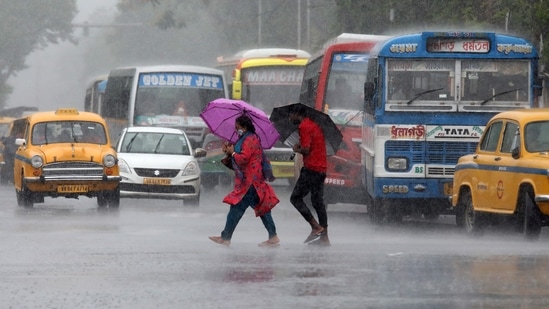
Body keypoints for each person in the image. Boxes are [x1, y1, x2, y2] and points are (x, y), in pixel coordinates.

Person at [209, 114, 280, 247]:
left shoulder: (250, 140)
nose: (236, 130)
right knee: (263, 209)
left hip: (250, 182)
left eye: (238, 127)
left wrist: (233, 153)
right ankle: (273, 236)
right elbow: (238, 158)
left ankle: (225, 237)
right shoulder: (245, 138)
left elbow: (243, 158)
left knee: (236, 208)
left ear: (245, 127)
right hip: (252, 181)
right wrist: (229, 152)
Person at [289, 104, 330, 246]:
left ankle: (315, 227)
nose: (290, 118)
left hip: (311, 169)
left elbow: (306, 149)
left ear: (296, 113)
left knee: (295, 198)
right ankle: (325, 237)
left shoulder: (304, 126)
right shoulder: (314, 125)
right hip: (321, 169)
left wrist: (297, 148)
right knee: (318, 202)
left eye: (291, 115)